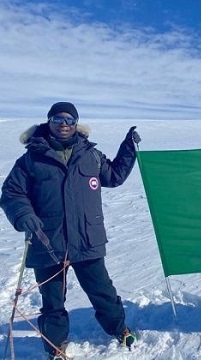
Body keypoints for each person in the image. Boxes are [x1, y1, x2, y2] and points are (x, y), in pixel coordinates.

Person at [0, 102, 141, 360]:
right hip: (47, 241)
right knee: (52, 300)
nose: (64, 123)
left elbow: (114, 177)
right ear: (49, 122)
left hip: (86, 239)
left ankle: (120, 329)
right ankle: (55, 345)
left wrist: (128, 148)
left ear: (76, 124)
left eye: (69, 119)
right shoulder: (31, 159)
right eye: (58, 118)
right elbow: (11, 193)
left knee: (103, 292)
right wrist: (24, 214)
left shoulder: (90, 155)